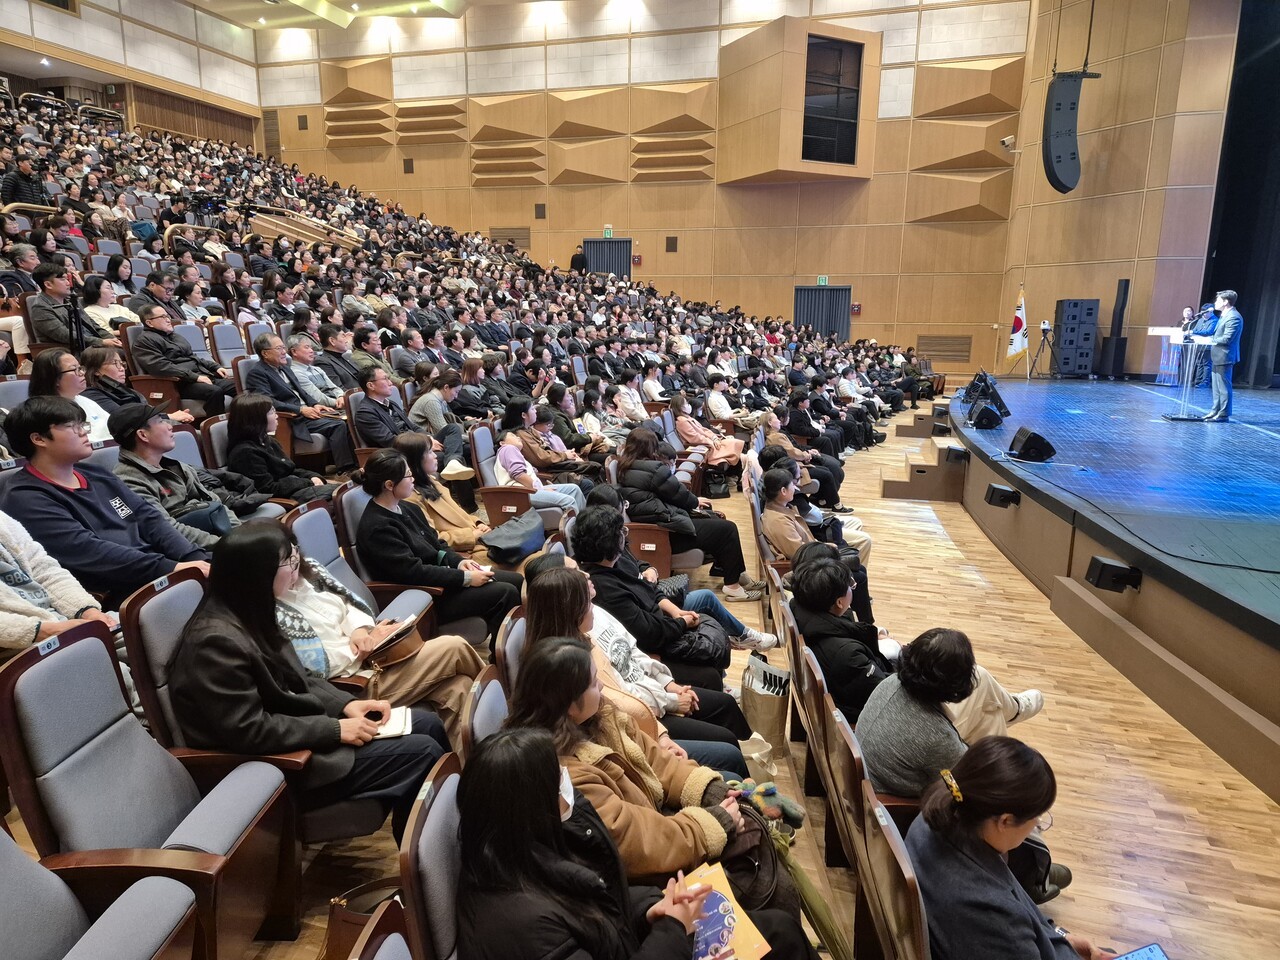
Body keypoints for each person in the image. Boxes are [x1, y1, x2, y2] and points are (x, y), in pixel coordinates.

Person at [168, 523, 446, 844]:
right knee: (422, 751)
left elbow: (300, 677)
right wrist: (336, 729)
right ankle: (425, 866)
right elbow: (249, 731)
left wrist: (346, 705)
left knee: (426, 723)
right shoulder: (213, 642)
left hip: (304, 734)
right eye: (287, 562)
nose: (295, 568)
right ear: (257, 573)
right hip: (282, 767)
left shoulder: (251, 611)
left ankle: (441, 846)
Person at [456, 727, 708, 960]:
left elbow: (598, 898)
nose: (567, 783)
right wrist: (672, 930)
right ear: (532, 810)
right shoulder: (524, 927)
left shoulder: (520, 856)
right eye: (557, 779)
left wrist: (649, 910)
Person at [522, 554, 750, 777]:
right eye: (575, 572)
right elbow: (619, 705)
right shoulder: (571, 658)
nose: (585, 574)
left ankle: (753, 760)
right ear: (564, 600)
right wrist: (669, 706)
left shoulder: (592, 616)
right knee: (727, 750)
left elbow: (632, 650)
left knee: (722, 703)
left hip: (644, 712)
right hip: (639, 720)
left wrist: (668, 685)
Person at [907, 737, 1114, 960]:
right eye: (1037, 820)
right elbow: (1010, 919)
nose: (1037, 826)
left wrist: (1062, 936)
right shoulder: (991, 911)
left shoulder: (936, 819)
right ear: (1005, 821)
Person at [275, 527, 485, 745]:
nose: (294, 566)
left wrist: (359, 631)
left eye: (294, 555)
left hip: (372, 661)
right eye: (286, 562)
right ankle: (509, 709)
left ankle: (471, 766)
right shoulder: (271, 615)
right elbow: (318, 669)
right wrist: (366, 641)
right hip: (352, 686)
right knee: (454, 647)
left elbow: (350, 606)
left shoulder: (309, 573)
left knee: (457, 688)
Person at [0, 397, 210, 608]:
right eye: (73, 426)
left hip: (161, 569)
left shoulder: (95, 473)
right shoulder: (25, 498)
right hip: (122, 592)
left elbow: (148, 517)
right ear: (39, 439)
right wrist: (173, 568)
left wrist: (194, 557)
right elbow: (90, 551)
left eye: (82, 424)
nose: (84, 432)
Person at [573, 505, 775, 691]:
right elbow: (648, 632)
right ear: (608, 541)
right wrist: (681, 622)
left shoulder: (617, 557)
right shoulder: (603, 586)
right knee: (709, 651)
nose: (626, 536)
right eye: (621, 533)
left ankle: (743, 637)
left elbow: (646, 585)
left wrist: (674, 610)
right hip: (652, 636)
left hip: (661, 615)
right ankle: (728, 670)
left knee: (705, 603)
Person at [354, 448, 521, 642]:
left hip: (441, 578)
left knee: (516, 580)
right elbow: (413, 572)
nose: (413, 479)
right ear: (390, 484)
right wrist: (465, 578)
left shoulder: (408, 507)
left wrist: (459, 562)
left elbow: (437, 543)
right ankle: (502, 658)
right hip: (426, 595)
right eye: (408, 475)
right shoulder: (377, 527)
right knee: (505, 593)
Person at [617, 427, 763, 603]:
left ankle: (732, 572)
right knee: (727, 529)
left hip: (661, 521)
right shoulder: (654, 469)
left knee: (713, 518)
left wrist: (692, 503)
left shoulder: (624, 466)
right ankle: (733, 587)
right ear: (650, 448)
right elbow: (678, 493)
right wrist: (694, 502)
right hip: (663, 532)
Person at [110, 404, 240, 549]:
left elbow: (214, 501)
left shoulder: (176, 466)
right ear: (143, 435)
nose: (170, 426)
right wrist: (227, 545)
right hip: (187, 554)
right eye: (160, 421)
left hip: (215, 543)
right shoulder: (128, 481)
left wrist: (239, 535)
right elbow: (166, 530)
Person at [0, 508, 119, 656]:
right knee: (113, 670)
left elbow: (44, 568)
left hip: (61, 621)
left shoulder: (3, 520)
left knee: (139, 626)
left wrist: (87, 611)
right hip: (19, 645)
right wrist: (45, 630)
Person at [244, 332, 357, 472]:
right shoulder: (257, 373)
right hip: (292, 418)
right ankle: (346, 469)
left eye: (283, 347)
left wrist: (315, 403)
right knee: (338, 425)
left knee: (349, 419)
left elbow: (302, 392)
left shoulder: (285, 367)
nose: (284, 352)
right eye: (279, 349)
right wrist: (300, 410)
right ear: (265, 353)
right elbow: (266, 401)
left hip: (307, 411)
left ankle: (356, 464)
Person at [393, 432, 493, 562]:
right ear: (416, 460)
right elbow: (431, 539)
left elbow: (459, 514)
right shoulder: (410, 498)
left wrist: (477, 523)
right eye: (429, 452)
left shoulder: (431, 481)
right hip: (464, 554)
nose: (435, 456)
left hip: (480, 540)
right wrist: (471, 535)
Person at [225, 393, 340, 502]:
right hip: (283, 498)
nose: (277, 416)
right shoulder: (245, 453)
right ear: (255, 419)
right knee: (342, 497)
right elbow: (267, 489)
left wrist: (313, 476)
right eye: (271, 412)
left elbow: (290, 469)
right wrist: (308, 482)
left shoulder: (268, 441)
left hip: (295, 488)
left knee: (347, 490)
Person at [131, 303, 237, 416]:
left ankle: (240, 421)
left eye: (167, 316)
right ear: (149, 323)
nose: (168, 320)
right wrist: (195, 377)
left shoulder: (174, 336)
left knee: (237, 386)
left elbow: (193, 357)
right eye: (163, 317)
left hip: (199, 376)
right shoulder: (144, 341)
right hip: (179, 383)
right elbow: (161, 367)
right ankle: (213, 428)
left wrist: (216, 366)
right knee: (214, 391)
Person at [1199, 290, 1243, 422]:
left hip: (1225, 356)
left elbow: (1227, 338)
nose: (1215, 303)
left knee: (1223, 387)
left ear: (1225, 302)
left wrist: (1211, 340)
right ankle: (1215, 410)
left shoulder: (1234, 316)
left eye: (1218, 301)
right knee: (1216, 387)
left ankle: (1223, 414)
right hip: (1217, 355)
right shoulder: (1224, 315)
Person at [670, 394, 742, 468]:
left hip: (709, 442)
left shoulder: (687, 418)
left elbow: (703, 430)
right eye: (686, 404)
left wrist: (714, 438)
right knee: (735, 448)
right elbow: (695, 438)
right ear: (680, 407)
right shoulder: (682, 421)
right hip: (703, 446)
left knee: (735, 445)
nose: (689, 405)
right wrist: (712, 442)